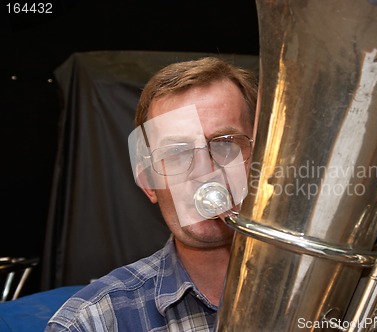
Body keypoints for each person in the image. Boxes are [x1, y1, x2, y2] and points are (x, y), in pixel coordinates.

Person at [46, 57, 258, 331]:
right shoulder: (90, 322)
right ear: (148, 182)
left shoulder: (322, 292)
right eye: (176, 153)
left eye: (225, 144)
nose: (204, 172)